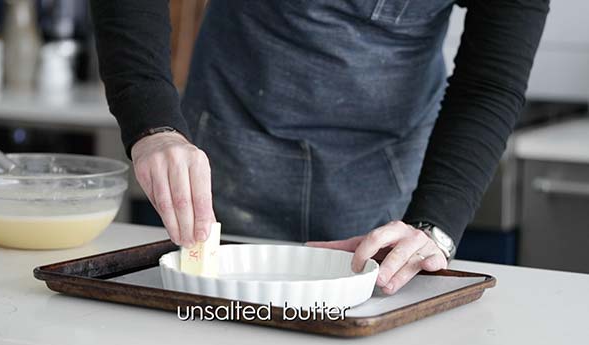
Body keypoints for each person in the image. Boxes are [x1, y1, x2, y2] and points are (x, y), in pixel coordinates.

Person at [90, 0, 548, 294]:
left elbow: (490, 81)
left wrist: (435, 227)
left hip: (384, 182)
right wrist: (154, 125)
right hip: (229, 149)